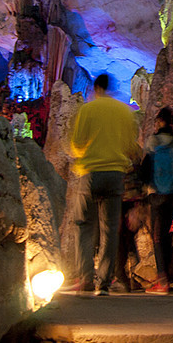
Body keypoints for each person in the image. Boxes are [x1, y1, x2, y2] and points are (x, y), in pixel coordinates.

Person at [67, 74, 139, 296]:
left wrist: (84, 154)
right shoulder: (124, 112)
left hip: (90, 173)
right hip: (115, 174)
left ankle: (86, 278)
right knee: (110, 230)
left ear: (96, 88)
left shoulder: (88, 110)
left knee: (83, 226)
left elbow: (77, 144)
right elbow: (130, 145)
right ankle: (104, 283)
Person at [144, 106, 173, 294]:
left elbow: (145, 166)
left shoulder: (153, 141)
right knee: (167, 235)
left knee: (157, 237)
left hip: (157, 193)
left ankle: (162, 280)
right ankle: (166, 275)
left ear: (160, 121)